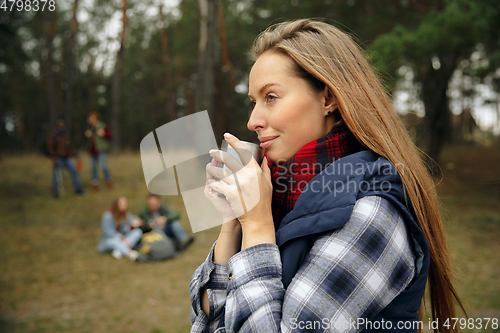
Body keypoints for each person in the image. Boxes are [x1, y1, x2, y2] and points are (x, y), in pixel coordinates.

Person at [190, 19, 465, 333]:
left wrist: (257, 225)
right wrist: (234, 222)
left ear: (328, 98)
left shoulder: (372, 211)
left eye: (271, 97)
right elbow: (209, 320)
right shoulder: (280, 196)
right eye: (253, 102)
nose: (253, 120)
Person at [96, 196, 142, 261]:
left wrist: (135, 223)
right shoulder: (107, 216)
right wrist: (121, 238)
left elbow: (131, 221)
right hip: (110, 240)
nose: (124, 205)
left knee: (138, 232)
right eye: (122, 203)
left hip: (123, 239)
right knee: (114, 241)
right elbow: (108, 233)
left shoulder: (126, 215)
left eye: (125, 203)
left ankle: (119, 250)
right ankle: (129, 253)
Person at [47, 119, 84, 198]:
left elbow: (69, 148)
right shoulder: (53, 136)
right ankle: (56, 193)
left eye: (62, 125)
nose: (61, 127)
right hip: (58, 159)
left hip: (67, 158)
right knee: (57, 176)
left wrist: (75, 155)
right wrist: (54, 157)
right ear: (56, 126)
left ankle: (78, 190)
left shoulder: (65, 136)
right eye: (60, 125)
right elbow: (50, 148)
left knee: (74, 171)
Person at [85, 112, 113, 191]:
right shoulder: (90, 128)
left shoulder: (103, 126)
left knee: (103, 166)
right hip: (92, 151)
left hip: (101, 150)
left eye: (92, 118)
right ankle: (95, 183)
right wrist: (87, 135)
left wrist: (104, 134)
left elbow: (110, 135)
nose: (91, 120)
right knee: (93, 167)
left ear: (96, 118)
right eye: (90, 119)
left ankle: (109, 180)